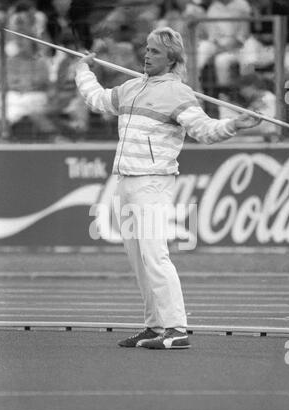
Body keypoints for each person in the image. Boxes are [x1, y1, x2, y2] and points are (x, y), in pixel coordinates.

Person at [75, 27, 260, 350]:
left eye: (155, 52)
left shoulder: (178, 93)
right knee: (138, 260)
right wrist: (83, 70)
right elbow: (97, 99)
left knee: (155, 256)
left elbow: (204, 131)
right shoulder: (131, 87)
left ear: (172, 58)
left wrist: (233, 125)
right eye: (146, 49)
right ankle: (154, 325)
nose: (147, 55)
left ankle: (176, 329)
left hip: (152, 183)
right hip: (125, 181)